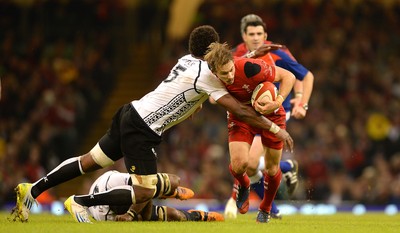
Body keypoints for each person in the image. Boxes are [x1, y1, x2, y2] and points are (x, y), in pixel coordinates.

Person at [11, 25, 293, 223]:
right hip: (143, 128)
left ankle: (32, 190)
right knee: (145, 191)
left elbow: (203, 85)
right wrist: (275, 128)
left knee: (90, 160)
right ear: (211, 52)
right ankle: (80, 202)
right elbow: (240, 110)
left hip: (130, 111)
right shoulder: (206, 76)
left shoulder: (186, 60)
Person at [224, 14, 315, 219]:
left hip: (276, 111)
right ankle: (285, 172)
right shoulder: (237, 54)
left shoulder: (277, 52)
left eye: (259, 34)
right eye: (251, 34)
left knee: (252, 162)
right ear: (243, 36)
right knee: (250, 165)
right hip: (250, 112)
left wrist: (302, 102)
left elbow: (303, 75)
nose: (256, 38)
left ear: (266, 35)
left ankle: (269, 208)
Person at [204, 42, 295, 223]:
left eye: (231, 70)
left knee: (271, 168)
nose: (230, 76)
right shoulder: (209, 79)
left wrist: (277, 102)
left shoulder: (249, 67)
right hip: (241, 117)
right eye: (224, 74)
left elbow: (289, 76)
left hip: (271, 114)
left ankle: (266, 209)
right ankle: (245, 184)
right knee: (239, 166)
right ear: (214, 72)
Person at [86, 170, 224, 222]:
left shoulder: (112, 181)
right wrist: (135, 214)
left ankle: (170, 191)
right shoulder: (107, 217)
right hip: (129, 211)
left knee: (173, 181)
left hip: (124, 190)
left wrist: (132, 213)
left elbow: (145, 188)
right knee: (175, 215)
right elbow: (144, 217)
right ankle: (198, 216)